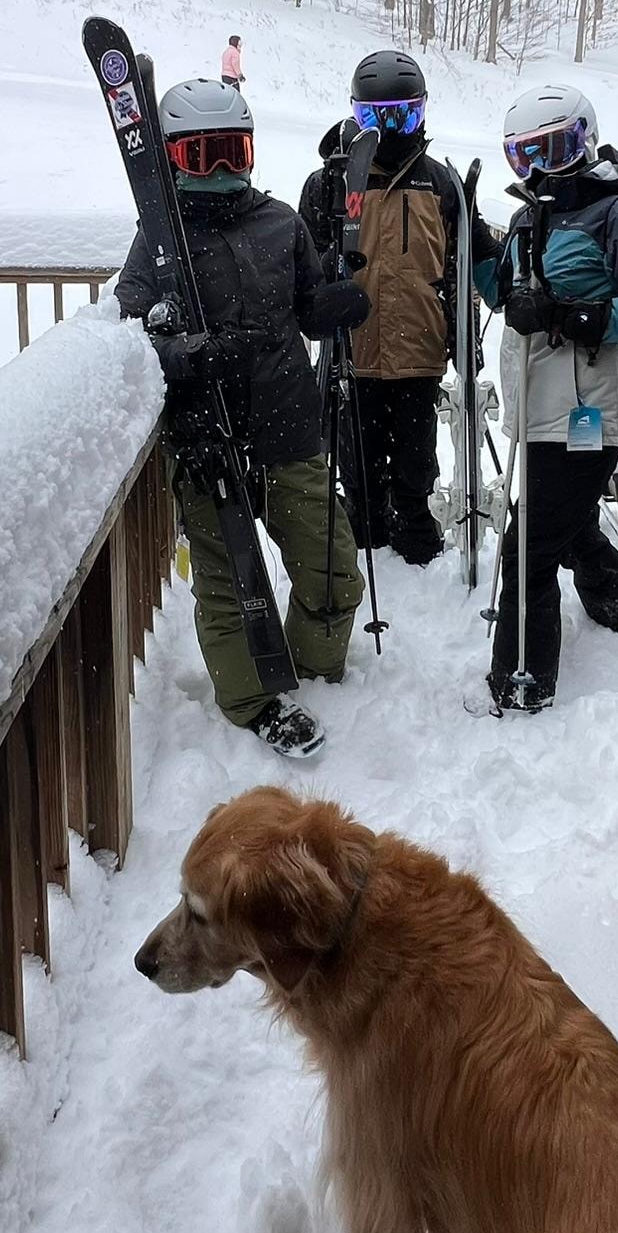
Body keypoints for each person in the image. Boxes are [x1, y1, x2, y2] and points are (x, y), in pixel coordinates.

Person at [116, 77, 368, 761]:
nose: (224, 168)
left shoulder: (281, 222)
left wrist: (337, 302)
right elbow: (128, 335)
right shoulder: (157, 244)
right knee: (228, 584)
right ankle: (254, 700)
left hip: (289, 426)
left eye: (235, 150)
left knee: (333, 570)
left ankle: (315, 672)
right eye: (204, 156)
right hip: (206, 440)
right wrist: (183, 353)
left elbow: (308, 306)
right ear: (172, 159)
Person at [471, 83, 618, 715]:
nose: (537, 169)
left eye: (552, 150)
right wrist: (472, 242)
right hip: (540, 406)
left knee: (527, 545)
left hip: (588, 408)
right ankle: (615, 595)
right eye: (522, 156)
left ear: (582, 142)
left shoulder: (617, 216)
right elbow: (503, 295)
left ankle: (522, 678)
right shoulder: (530, 217)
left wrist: (575, 315)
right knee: (566, 515)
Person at [299, 50, 496, 565]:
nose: (388, 129)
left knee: (415, 465)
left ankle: (417, 550)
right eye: (374, 116)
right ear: (355, 114)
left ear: (422, 112)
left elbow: (470, 262)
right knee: (359, 466)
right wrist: (329, 272)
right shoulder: (328, 186)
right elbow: (303, 271)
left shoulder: (442, 185)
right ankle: (365, 546)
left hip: (419, 348)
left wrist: (464, 331)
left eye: (402, 115)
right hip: (353, 353)